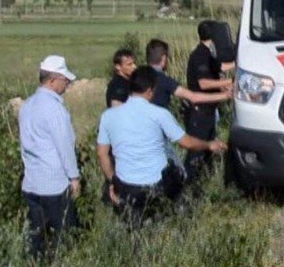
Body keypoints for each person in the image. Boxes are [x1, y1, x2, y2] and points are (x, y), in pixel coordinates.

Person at [97, 66, 228, 228]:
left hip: (127, 186)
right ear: (151, 91)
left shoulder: (108, 116)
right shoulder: (159, 114)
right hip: (157, 184)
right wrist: (209, 144)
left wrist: (114, 181)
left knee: (133, 226)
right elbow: (187, 143)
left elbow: (102, 154)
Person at [18, 55, 80, 261]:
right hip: (54, 185)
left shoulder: (27, 105)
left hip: (32, 183)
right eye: (65, 79)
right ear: (53, 80)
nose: (67, 83)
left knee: (37, 240)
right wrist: (74, 177)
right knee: (66, 238)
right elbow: (65, 146)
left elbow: (25, 146)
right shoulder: (54, 108)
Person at [183, 22, 235, 185]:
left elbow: (222, 67)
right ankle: (189, 184)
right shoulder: (200, 55)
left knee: (208, 150)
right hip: (200, 112)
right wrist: (228, 83)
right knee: (197, 151)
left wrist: (240, 61)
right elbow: (203, 83)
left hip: (209, 111)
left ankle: (203, 183)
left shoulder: (208, 55)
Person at [144, 39, 232, 111]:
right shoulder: (165, 81)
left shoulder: (137, 76)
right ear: (163, 58)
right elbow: (193, 97)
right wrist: (225, 95)